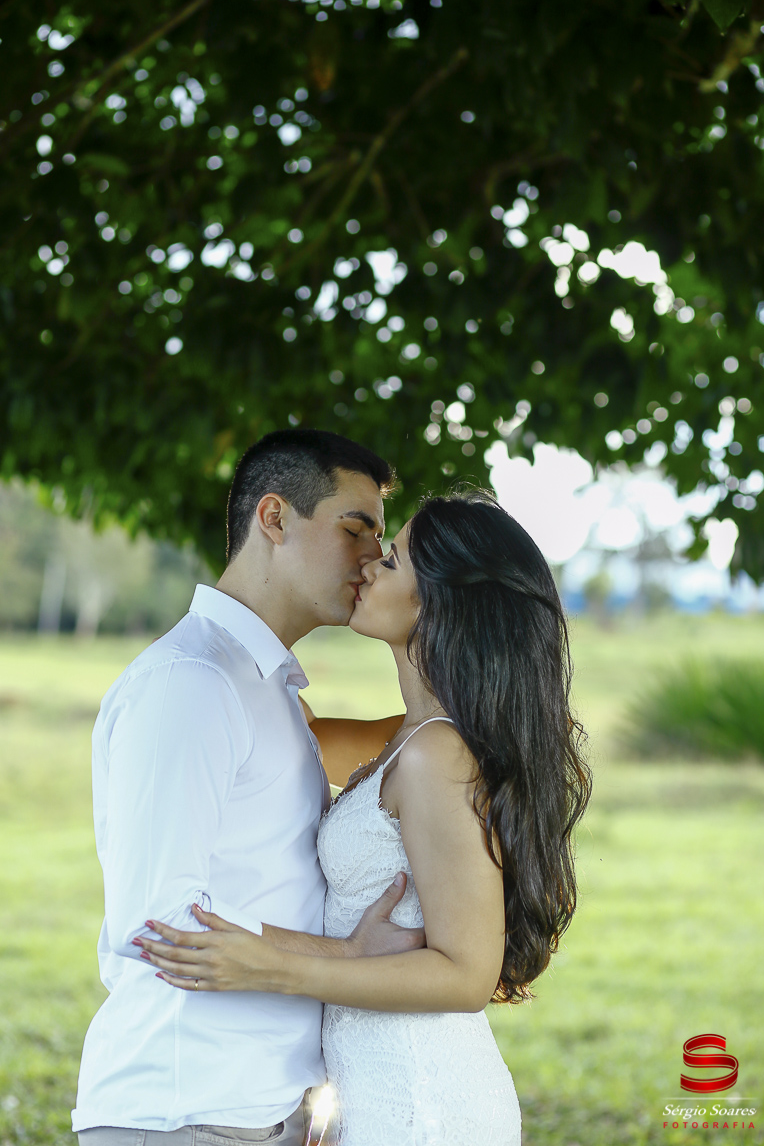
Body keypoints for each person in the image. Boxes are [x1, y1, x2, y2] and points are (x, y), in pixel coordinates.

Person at [137, 489, 592, 1146]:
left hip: (422, 1104)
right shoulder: (410, 737)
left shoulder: (437, 755)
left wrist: (271, 966)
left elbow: (465, 975)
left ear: (435, 601)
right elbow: (284, 729)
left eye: (394, 559)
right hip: (377, 1096)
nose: (370, 561)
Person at [73, 429, 426, 1146]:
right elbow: (164, 925)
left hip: (257, 1110)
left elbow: (423, 739)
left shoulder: (263, 686)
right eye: (354, 529)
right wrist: (351, 958)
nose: (371, 559)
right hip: (185, 1110)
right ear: (274, 518)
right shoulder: (193, 683)